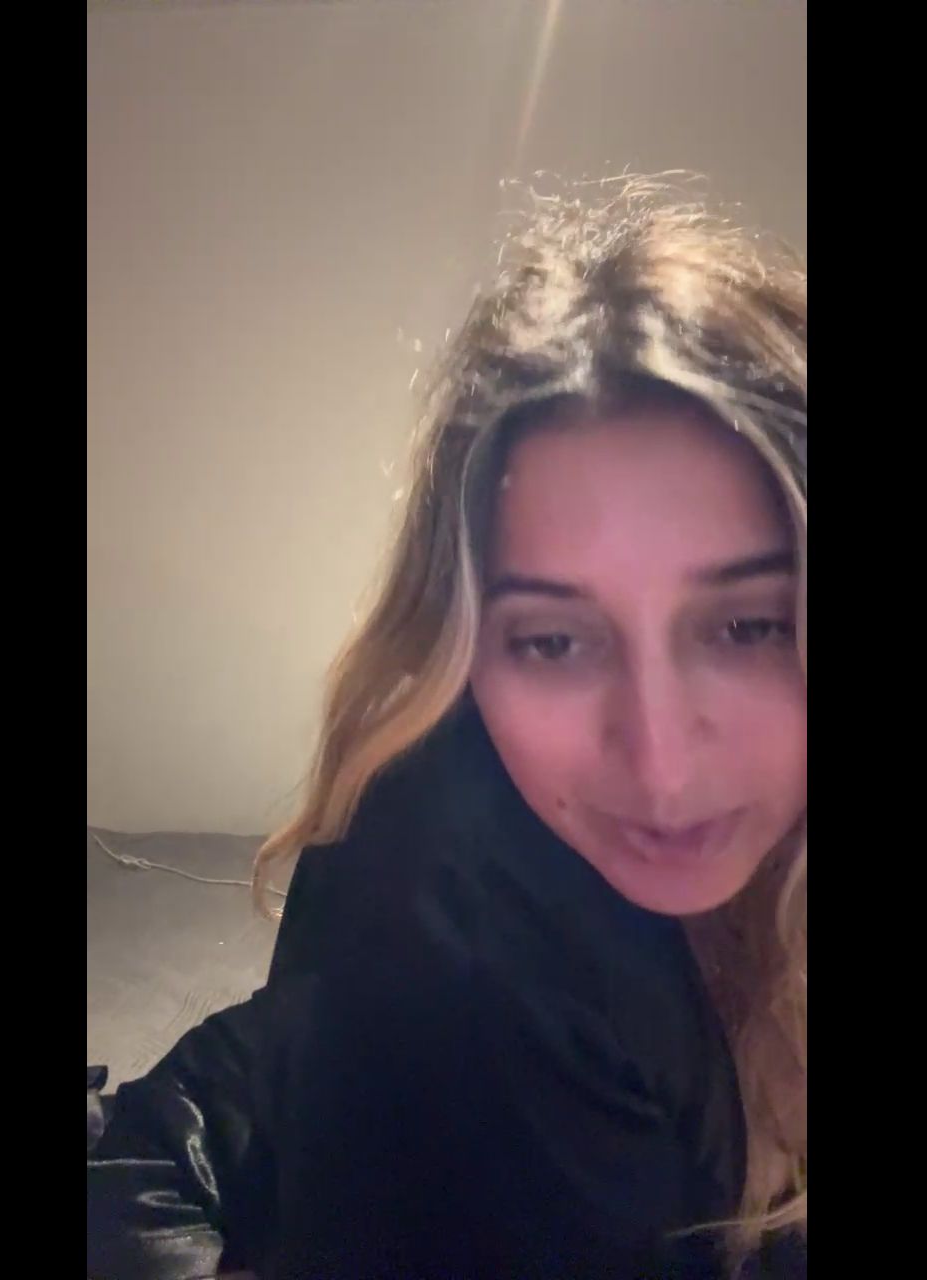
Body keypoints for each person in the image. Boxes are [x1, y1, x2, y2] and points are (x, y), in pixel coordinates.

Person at [87, 176, 807, 1280]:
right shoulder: (449, 952)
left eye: (750, 625)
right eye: (554, 641)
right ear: (461, 657)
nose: (661, 763)